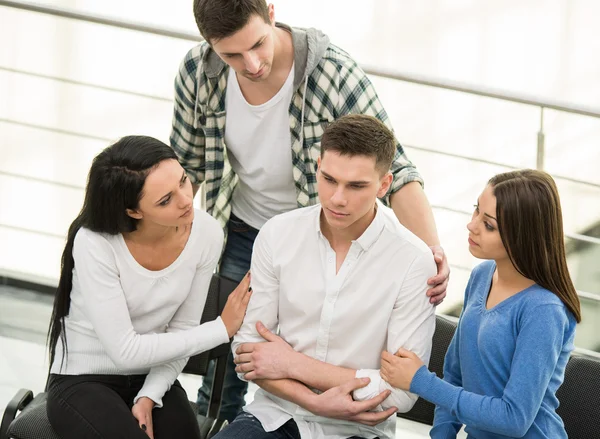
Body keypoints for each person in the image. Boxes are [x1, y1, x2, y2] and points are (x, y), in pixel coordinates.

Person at [170, 0, 449, 421]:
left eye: (258, 44)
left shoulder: (333, 73)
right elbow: (184, 168)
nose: (252, 64)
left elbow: (394, 168)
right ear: (210, 45)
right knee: (226, 368)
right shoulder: (197, 72)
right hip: (244, 231)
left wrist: (430, 249)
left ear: (270, 11)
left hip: (321, 234)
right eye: (232, 55)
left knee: (317, 345)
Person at [212, 114, 437, 439]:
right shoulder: (278, 234)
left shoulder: (414, 261)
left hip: (360, 428)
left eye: (356, 186)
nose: (337, 198)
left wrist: (291, 364)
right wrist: (314, 402)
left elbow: (400, 393)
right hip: (275, 415)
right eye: (329, 179)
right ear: (317, 166)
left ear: (384, 185)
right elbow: (247, 351)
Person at [45, 136, 252, 439]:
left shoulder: (206, 232)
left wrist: (150, 395)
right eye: (165, 199)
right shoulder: (95, 242)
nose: (185, 200)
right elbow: (126, 352)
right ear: (133, 211)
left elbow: (183, 329)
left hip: (151, 373)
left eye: (183, 181)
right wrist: (221, 329)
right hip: (83, 379)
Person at [379, 169, 582, 438]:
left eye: (489, 225)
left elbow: (514, 418)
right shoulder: (482, 275)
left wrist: (421, 381)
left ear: (523, 236)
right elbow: (454, 374)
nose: (471, 226)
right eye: (477, 210)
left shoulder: (544, 311)